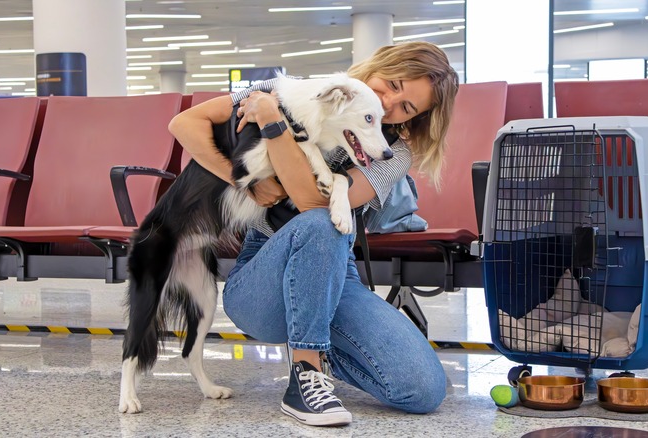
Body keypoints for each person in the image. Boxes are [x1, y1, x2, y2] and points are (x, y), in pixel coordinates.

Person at [168, 41, 459, 427]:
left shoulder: (394, 154)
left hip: (336, 273)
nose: (388, 104)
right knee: (326, 223)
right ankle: (305, 378)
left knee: (423, 390)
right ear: (378, 66)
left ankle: (321, 346)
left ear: (415, 119)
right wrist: (242, 182)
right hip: (262, 273)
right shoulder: (293, 90)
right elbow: (184, 123)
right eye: (391, 84)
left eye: (406, 107)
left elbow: (310, 203)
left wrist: (273, 123)